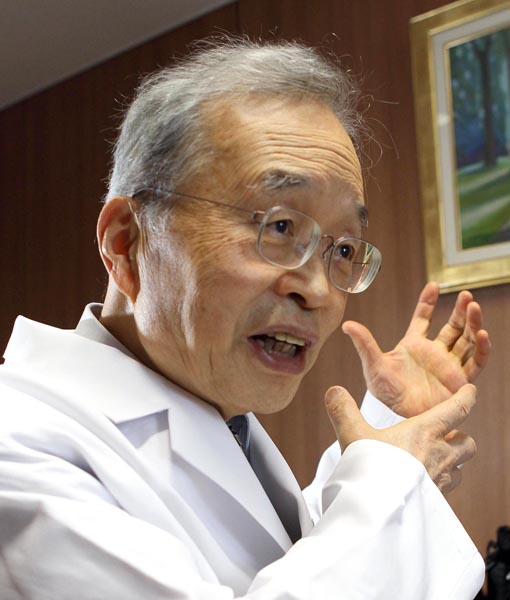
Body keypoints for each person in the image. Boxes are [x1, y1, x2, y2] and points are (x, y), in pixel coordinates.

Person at [0, 38, 491, 599]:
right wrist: (388, 487)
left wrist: (385, 436)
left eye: (343, 249)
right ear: (126, 242)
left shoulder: (213, 413)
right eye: (280, 227)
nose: (318, 291)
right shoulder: (18, 443)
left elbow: (271, 561)